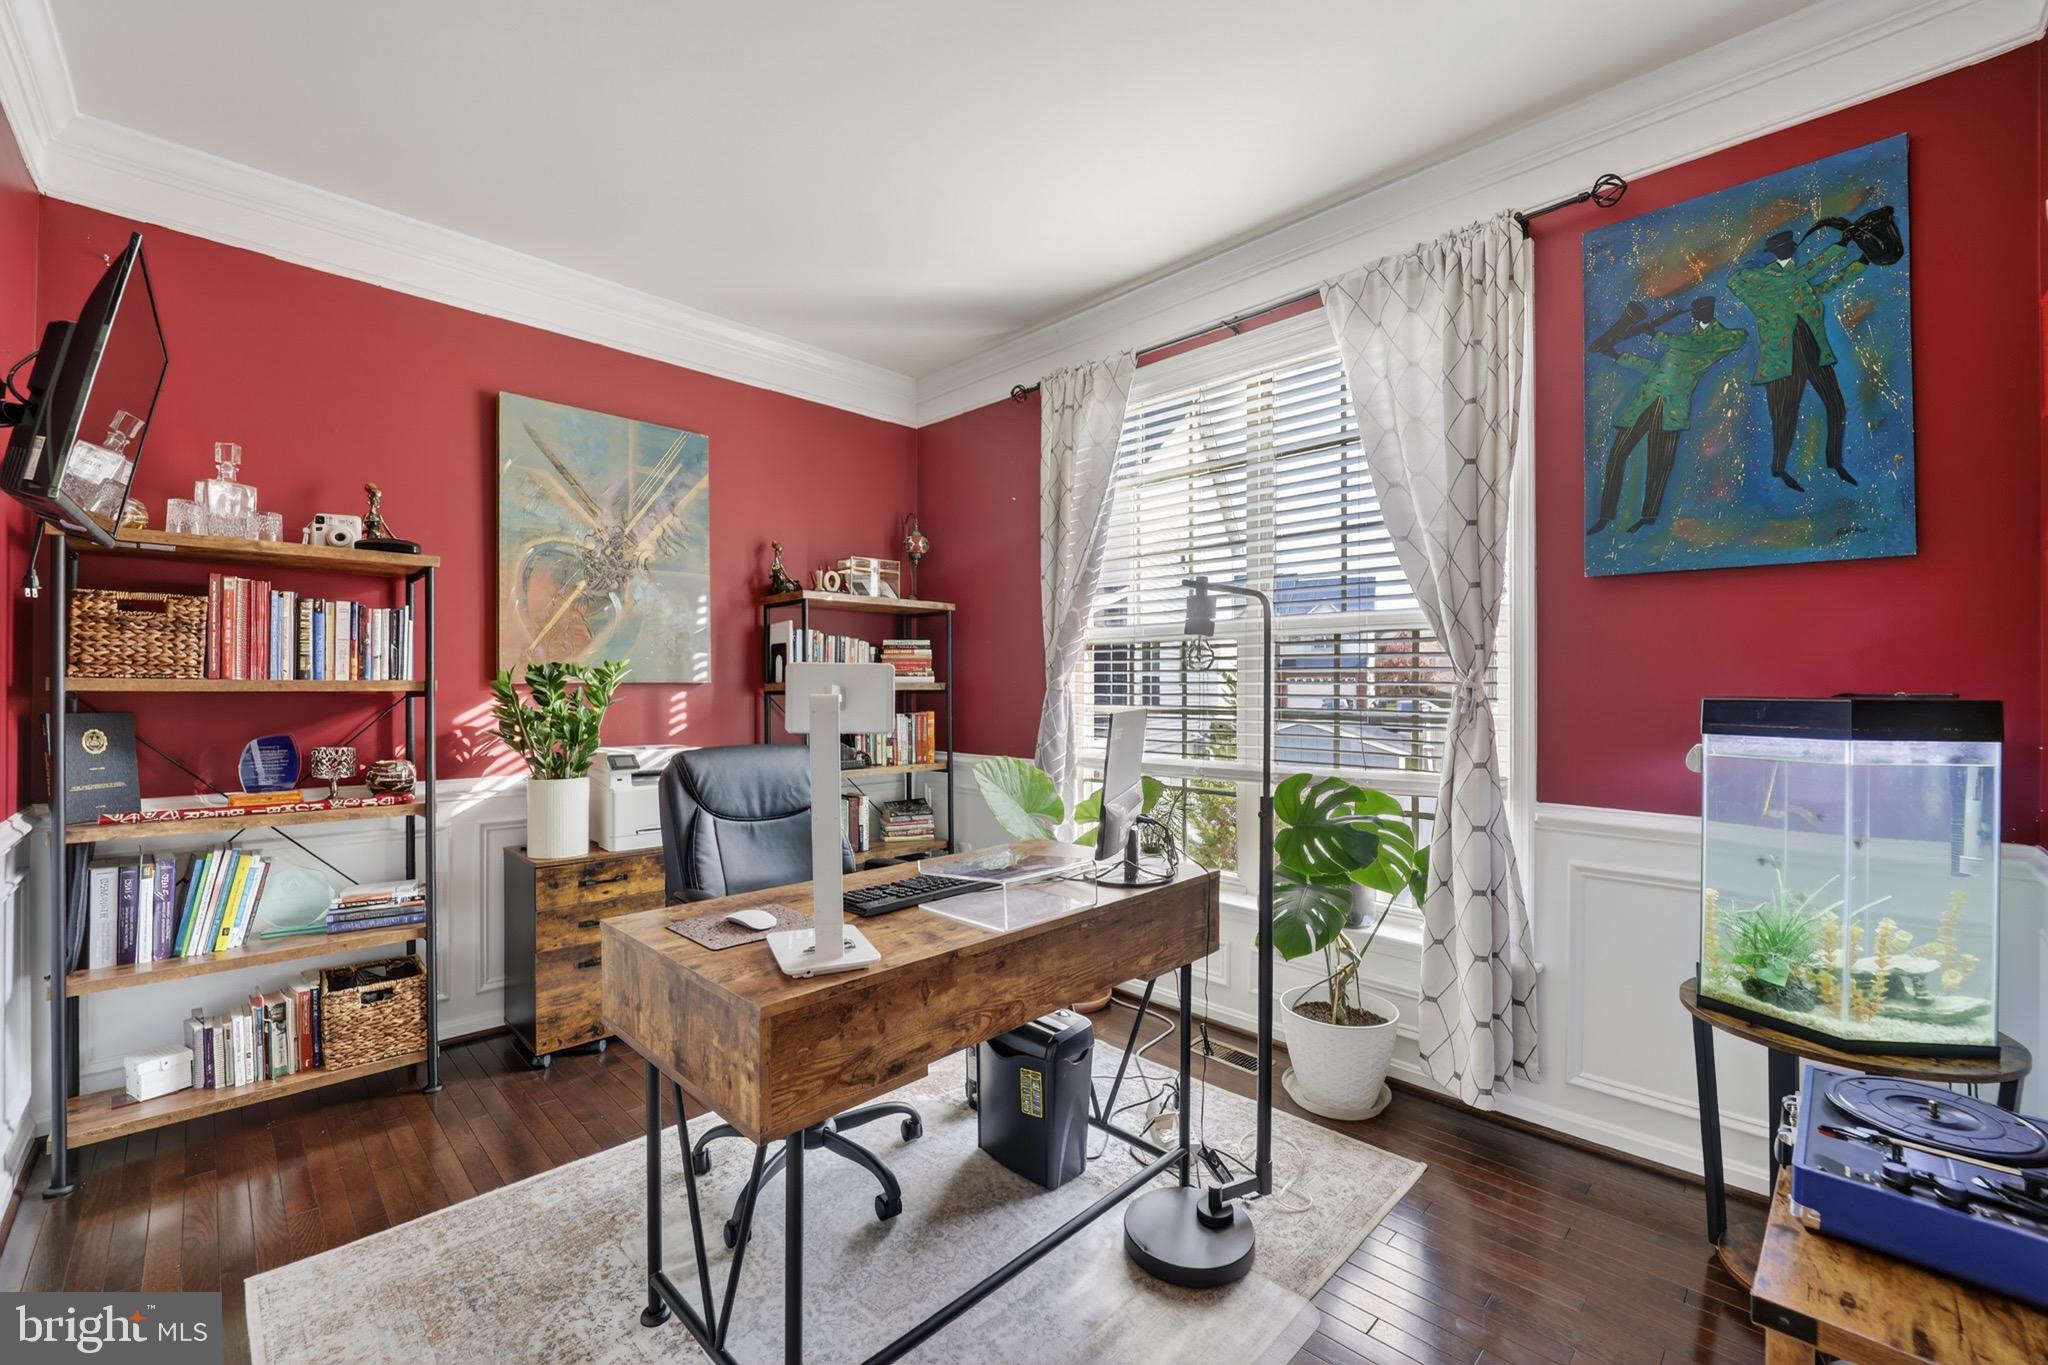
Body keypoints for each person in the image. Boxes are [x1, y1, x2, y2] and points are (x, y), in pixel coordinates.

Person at [1587, 297, 1747, 535]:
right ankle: (1605, 515)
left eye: (1702, 309)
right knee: (1617, 456)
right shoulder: (1686, 341)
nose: (1697, 314)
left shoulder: (1721, 340)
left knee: (1659, 465)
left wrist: (1657, 335)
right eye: (1696, 310)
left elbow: (1711, 343)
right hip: (1646, 402)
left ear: (1711, 311)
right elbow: (1657, 369)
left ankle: (1649, 516)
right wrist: (1615, 355)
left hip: (1672, 409)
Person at [1726, 229, 1866, 491]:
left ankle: (1835, 461)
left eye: (1789, 246)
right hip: (1780, 362)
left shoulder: (1798, 280)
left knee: (1836, 406)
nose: (1787, 251)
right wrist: (1842, 244)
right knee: (1784, 418)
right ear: (1772, 253)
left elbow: (1827, 285)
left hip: (1813, 352)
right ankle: (1779, 468)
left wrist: (1860, 264)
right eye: (1780, 248)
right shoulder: (1763, 282)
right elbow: (1734, 281)